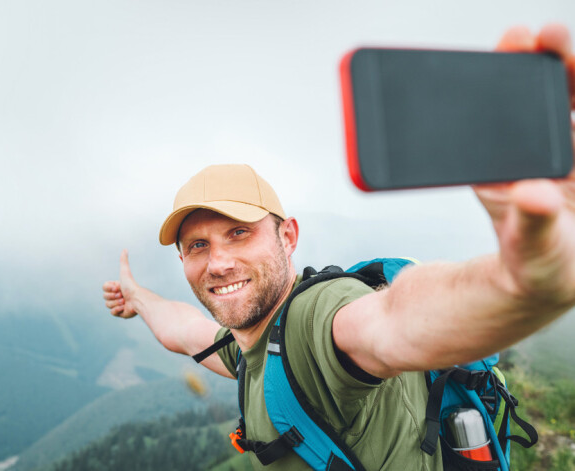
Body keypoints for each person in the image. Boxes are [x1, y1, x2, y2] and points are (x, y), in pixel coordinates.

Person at [102, 24, 575, 470]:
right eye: (197, 245)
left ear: (288, 236)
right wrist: (138, 298)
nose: (219, 262)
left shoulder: (316, 321)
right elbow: (186, 331)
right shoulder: (250, 345)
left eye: (240, 233)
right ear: (182, 259)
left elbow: (395, 323)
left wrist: (521, 284)